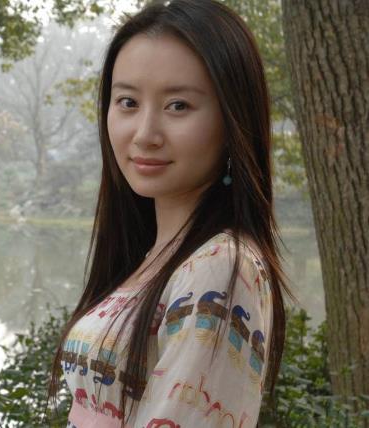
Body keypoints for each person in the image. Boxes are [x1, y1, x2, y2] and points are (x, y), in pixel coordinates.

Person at [46, 0, 298, 427]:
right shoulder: (157, 255)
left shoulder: (220, 267)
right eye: (128, 102)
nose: (145, 134)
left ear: (233, 121)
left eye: (178, 106)